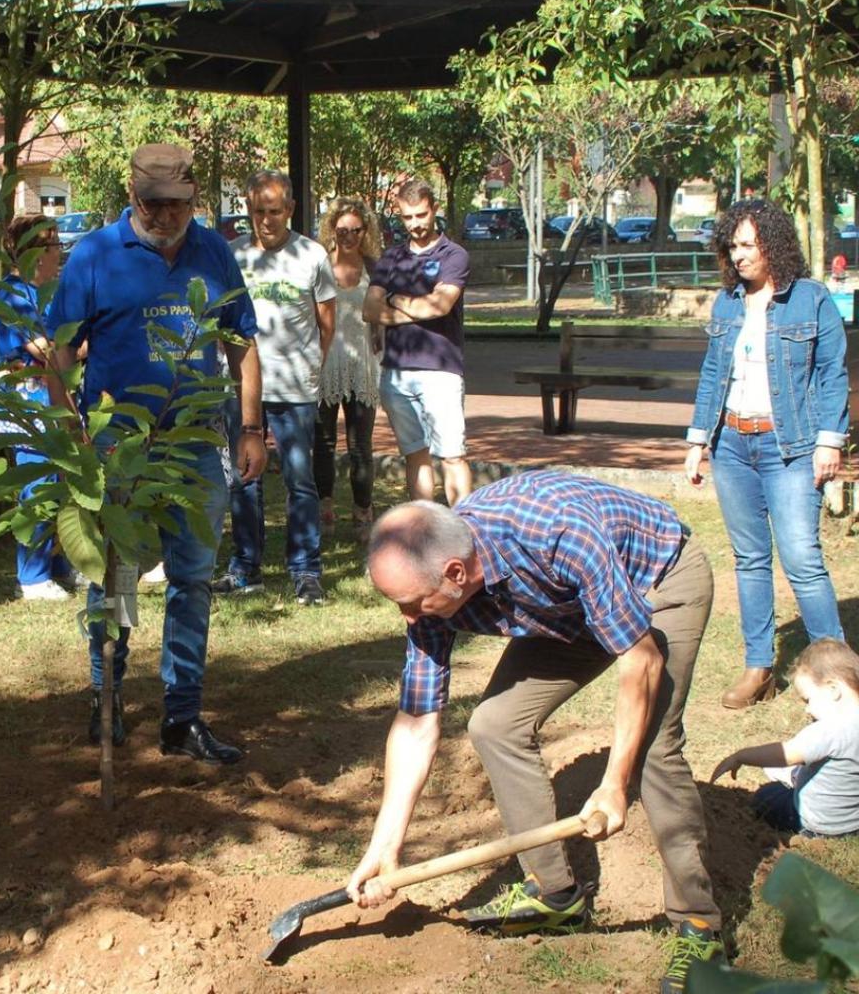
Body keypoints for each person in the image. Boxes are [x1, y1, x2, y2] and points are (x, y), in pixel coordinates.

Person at [350, 472, 724, 994]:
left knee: (654, 747)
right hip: (564, 610)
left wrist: (615, 784)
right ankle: (555, 895)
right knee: (494, 724)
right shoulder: (433, 593)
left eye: (412, 604)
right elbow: (416, 721)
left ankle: (698, 922)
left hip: (655, 579)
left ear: (455, 572)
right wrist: (384, 846)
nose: (408, 617)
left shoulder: (557, 533)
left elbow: (640, 661)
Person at [45, 143, 266, 763]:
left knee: (192, 579)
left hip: (197, 443)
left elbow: (241, 344)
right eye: (157, 206)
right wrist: (73, 434)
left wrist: (250, 428)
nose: (170, 218)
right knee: (114, 573)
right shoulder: (94, 255)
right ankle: (105, 697)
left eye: (182, 206)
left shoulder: (213, 250)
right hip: (118, 448)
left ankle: (182, 717)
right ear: (133, 197)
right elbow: (60, 354)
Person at [685, 199, 847, 709]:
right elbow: (713, 374)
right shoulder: (728, 302)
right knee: (750, 559)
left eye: (748, 244)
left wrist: (829, 440)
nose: (738, 255)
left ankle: (839, 675)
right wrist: (697, 441)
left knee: (802, 559)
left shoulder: (811, 300)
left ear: (772, 244)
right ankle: (759, 669)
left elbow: (831, 374)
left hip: (792, 447)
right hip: (733, 444)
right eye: (732, 245)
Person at [217, 170, 335, 605]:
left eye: (274, 211)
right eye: (258, 212)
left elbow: (327, 323)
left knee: (299, 479)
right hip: (242, 389)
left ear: (290, 210)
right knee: (243, 479)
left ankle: (306, 569)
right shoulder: (231, 257)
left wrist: (308, 368)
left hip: (294, 388)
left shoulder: (312, 255)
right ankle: (246, 567)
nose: (266, 220)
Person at [363, 179, 471, 505]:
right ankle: (425, 528)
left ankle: (467, 526)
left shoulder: (454, 255)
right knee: (415, 455)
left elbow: (440, 306)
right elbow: (369, 309)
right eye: (407, 217)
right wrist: (418, 308)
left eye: (421, 215)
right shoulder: (391, 258)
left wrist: (394, 300)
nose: (415, 224)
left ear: (434, 208)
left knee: (452, 455)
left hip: (440, 370)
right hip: (396, 372)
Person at [0, 214, 76, 601]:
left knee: (60, 481)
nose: (60, 253)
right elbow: (45, 349)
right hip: (27, 406)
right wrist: (76, 347)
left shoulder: (50, 292)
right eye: (54, 246)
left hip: (54, 400)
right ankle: (33, 576)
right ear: (36, 253)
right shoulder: (14, 294)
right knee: (37, 484)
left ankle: (59, 564)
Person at [711, 638, 859, 838]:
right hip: (852, 822)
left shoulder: (829, 729)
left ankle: (792, 781)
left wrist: (741, 756)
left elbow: (784, 754)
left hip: (818, 823)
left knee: (767, 795)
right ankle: (796, 775)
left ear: (833, 689)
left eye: (808, 699)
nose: (807, 709)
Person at [314, 197, 382, 542]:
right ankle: (324, 508)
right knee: (324, 443)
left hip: (363, 366)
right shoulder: (320, 265)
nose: (349, 236)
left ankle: (362, 511)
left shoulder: (375, 266)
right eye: (342, 230)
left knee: (360, 446)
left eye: (356, 230)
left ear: (365, 231)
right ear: (332, 229)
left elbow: (385, 312)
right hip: (326, 363)